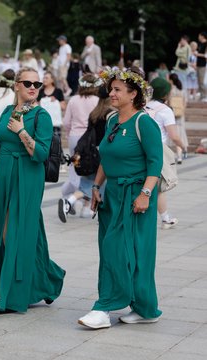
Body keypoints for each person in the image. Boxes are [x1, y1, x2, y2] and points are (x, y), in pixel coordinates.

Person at [78, 67, 163, 329]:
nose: (110, 93)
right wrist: (96, 186)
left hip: (136, 195)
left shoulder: (144, 123)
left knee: (134, 251)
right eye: (111, 88)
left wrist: (145, 195)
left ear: (133, 94)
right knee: (112, 248)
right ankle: (145, 309)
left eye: (117, 90)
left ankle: (105, 307)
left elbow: (155, 163)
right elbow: (107, 156)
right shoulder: (113, 119)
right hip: (112, 194)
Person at [0, 68, 66, 314]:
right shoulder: (8, 111)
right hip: (5, 175)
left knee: (13, 233)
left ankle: (12, 295)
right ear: (16, 85)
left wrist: (21, 131)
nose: (33, 87)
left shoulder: (42, 115)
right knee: (21, 231)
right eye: (27, 83)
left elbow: (40, 153)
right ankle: (46, 281)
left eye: (37, 83)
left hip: (27, 177)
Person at [59, 73, 102, 222]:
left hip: (74, 138)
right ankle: (84, 205)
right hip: (90, 140)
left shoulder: (74, 100)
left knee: (76, 169)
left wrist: (72, 132)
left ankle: (68, 196)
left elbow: (66, 122)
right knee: (92, 171)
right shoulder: (97, 100)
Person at [146, 77, 186, 230]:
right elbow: (174, 136)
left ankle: (164, 218)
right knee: (159, 185)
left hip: (141, 148)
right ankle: (165, 219)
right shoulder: (166, 111)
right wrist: (183, 146)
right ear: (165, 94)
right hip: (157, 150)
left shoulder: (144, 106)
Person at [37, 71, 66, 140]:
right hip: (43, 124)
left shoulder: (58, 91)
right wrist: (42, 101)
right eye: (44, 78)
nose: (44, 80)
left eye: (46, 78)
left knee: (56, 145)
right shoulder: (40, 91)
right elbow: (36, 106)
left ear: (52, 80)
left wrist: (56, 101)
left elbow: (64, 107)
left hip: (55, 124)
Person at [168, 73, 189, 163]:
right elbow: (185, 102)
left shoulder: (170, 90)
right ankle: (181, 155)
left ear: (171, 80)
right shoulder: (182, 90)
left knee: (174, 135)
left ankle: (175, 156)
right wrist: (182, 111)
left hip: (172, 114)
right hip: (180, 115)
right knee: (180, 135)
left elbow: (168, 102)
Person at [195, 32, 207, 100]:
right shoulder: (201, 44)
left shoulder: (206, 44)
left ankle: (205, 96)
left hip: (203, 65)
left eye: (199, 36)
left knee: (202, 82)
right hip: (199, 65)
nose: (198, 37)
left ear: (202, 36)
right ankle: (202, 96)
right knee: (199, 81)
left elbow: (206, 55)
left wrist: (197, 54)